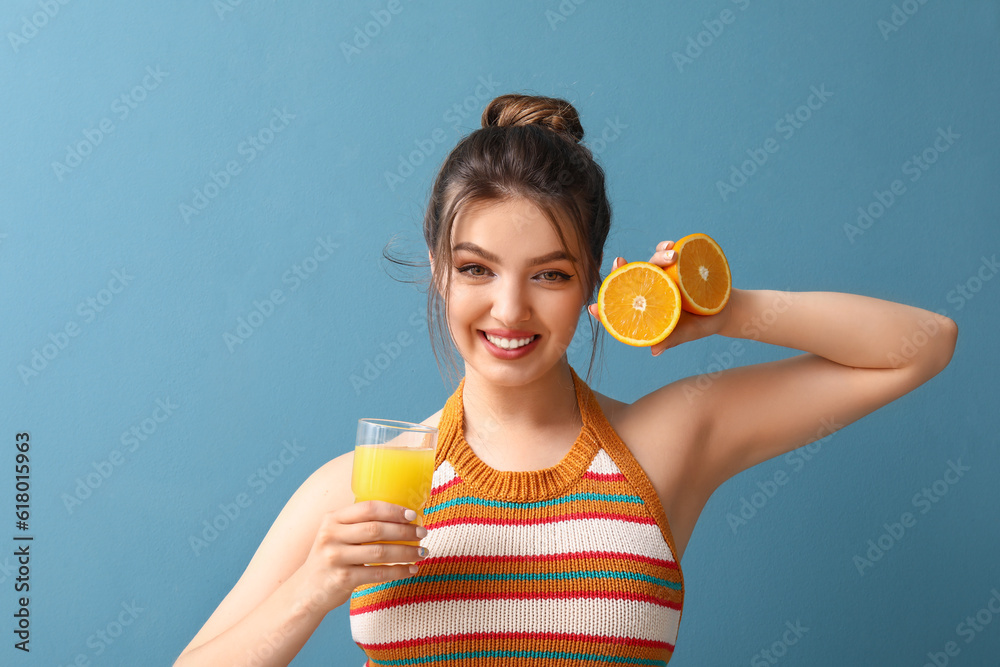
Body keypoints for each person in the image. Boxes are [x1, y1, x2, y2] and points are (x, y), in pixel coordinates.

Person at [175, 93, 958, 666]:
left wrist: (721, 307)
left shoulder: (663, 442)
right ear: (441, 276)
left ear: (591, 286)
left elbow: (921, 344)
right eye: (477, 268)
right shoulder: (363, 486)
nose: (509, 309)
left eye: (549, 274)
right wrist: (313, 587)